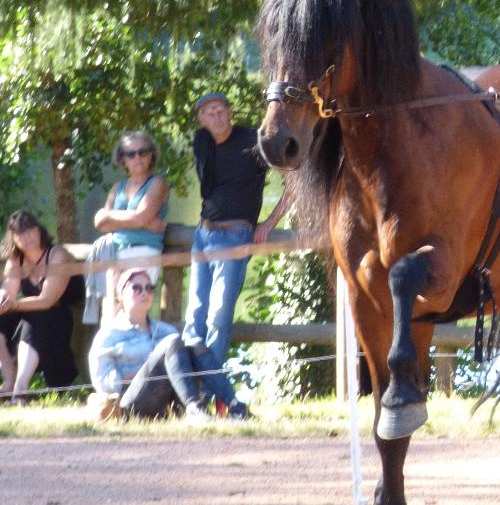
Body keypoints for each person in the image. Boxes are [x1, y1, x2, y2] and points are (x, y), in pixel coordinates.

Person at [182, 92, 290, 411]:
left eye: (219, 110)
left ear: (230, 112)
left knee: (218, 316)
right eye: (208, 112)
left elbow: (295, 181)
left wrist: (269, 223)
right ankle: (193, 395)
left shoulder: (252, 141)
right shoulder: (201, 142)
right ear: (201, 119)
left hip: (235, 237)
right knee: (195, 317)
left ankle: (217, 398)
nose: (215, 116)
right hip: (203, 236)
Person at [88, 268, 246, 422]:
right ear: (121, 294)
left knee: (195, 344)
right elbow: (102, 382)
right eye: (136, 288)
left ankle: (236, 407)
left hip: (172, 398)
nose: (144, 292)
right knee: (171, 343)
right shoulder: (109, 335)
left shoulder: (165, 330)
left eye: (149, 288)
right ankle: (195, 409)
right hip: (132, 404)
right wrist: (136, 373)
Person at [84, 131, 169, 323]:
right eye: (131, 154)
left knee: (134, 310)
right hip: (115, 254)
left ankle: (139, 352)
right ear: (123, 160)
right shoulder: (118, 187)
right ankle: (112, 353)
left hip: (144, 253)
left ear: (151, 155)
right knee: (111, 314)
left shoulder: (157, 183)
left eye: (143, 152)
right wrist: (139, 219)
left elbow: (139, 218)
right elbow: (100, 222)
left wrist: (111, 215)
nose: (137, 157)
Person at [0, 211, 85, 401]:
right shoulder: (16, 260)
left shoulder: (57, 255)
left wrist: (13, 303)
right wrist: (3, 300)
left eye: (30, 230)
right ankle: (9, 380)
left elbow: (48, 299)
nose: (27, 236)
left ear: (40, 231)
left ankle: (20, 388)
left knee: (37, 317)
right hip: (35, 312)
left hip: (62, 313)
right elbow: (8, 292)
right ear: (13, 238)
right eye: (20, 233)